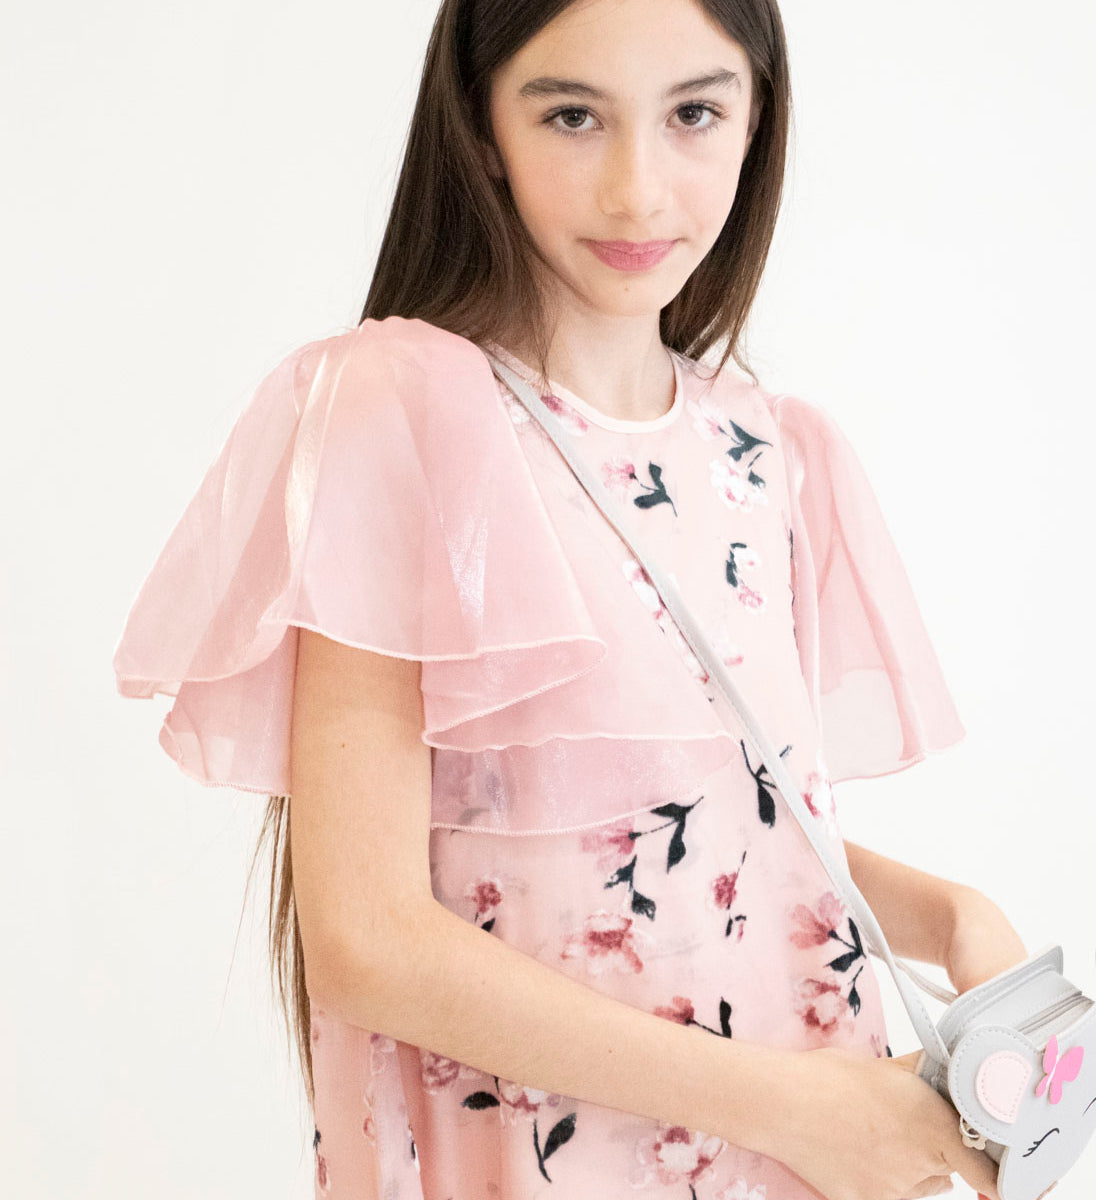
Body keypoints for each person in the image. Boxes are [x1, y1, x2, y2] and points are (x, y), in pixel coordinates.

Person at [111, 2, 1047, 1199]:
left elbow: (706, 823)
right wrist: (800, 1113)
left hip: (803, 1151)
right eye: (572, 116)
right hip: (565, 1156)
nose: (637, 192)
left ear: (757, 122)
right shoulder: (400, 410)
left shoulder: (773, 452)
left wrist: (946, 913)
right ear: (482, 128)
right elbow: (366, 939)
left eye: (694, 113)